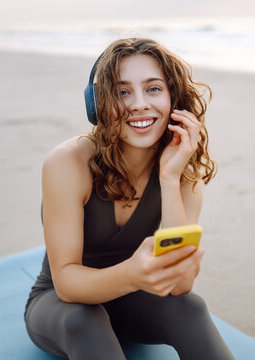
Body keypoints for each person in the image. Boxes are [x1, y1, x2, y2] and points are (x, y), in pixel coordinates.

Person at [24, 38, 235, 360]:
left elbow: (178, 286)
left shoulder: (182, 171)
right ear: (99, 104)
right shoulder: (67, 162)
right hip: (63, 306)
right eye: (123, 92)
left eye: (153, 89)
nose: (138, 103)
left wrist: (169, 178)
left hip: (134, 301)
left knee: (190, 308)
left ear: (173, 98)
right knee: (85, 317)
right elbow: (66, 283)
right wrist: (131, 275)